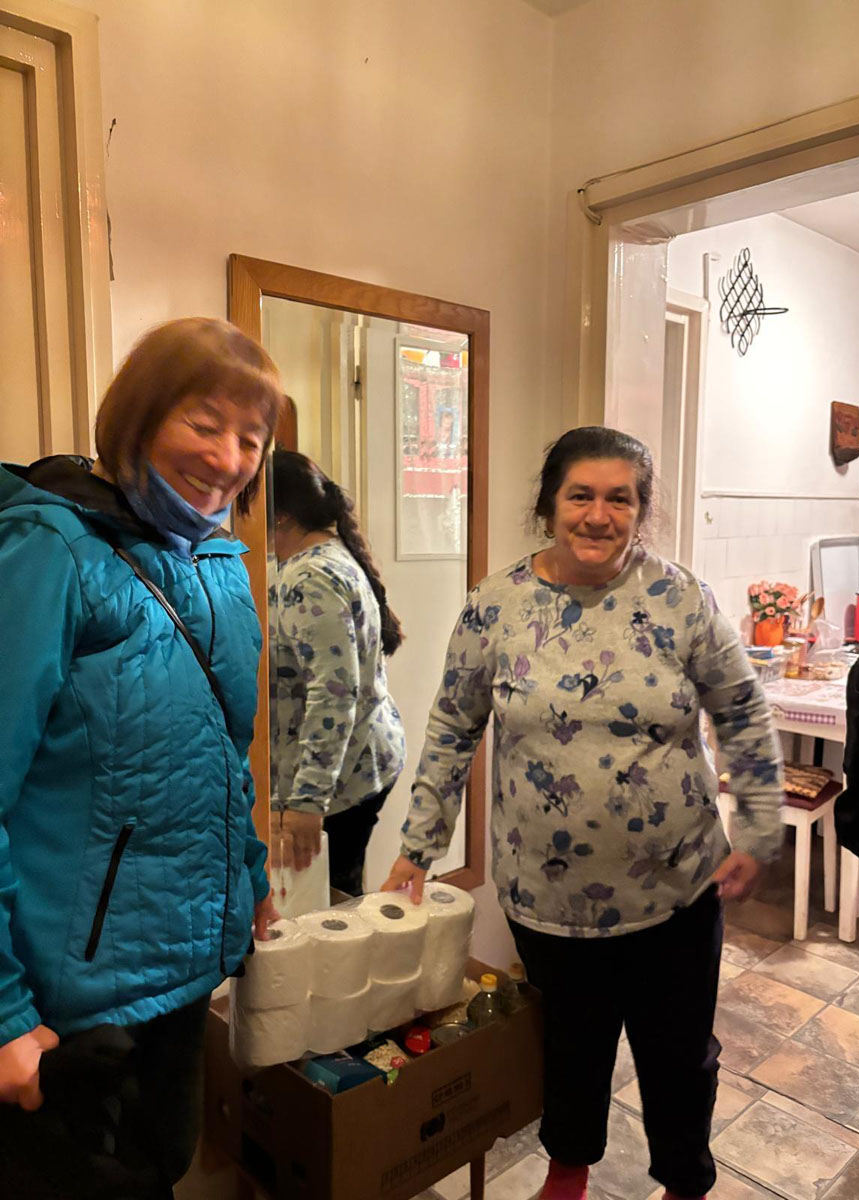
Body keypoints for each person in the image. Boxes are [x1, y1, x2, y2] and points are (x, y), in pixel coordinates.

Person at [383, 426, 784, 1200]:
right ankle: (568, 1172)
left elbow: (742, 710)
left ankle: (686, 1183)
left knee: (679, 1057)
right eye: (581, 496)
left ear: (642, 510)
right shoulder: (494, 606)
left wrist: (761, 828)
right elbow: (453, 728)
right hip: (547, 896)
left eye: (620, 499)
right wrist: (419, 844)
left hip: (676, 891)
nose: (599, 515)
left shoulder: (681, 599)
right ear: (549, 505)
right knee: (570, 1048)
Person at [0, 317, 284, 1198]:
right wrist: (3, 1012)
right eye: (205, 422)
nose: (228, 458)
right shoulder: (52, 549)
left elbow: (222, 749)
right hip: (67, 1004)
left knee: (162, 1166)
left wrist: (250, 874)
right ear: (138, 416)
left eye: (251, 437)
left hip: (182, 970)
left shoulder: (221, 561)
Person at [270, 449, 406, 896]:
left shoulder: (310, 577)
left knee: (328, 911)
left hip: (340, 784)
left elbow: (334, 695)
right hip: (353, 766)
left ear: (281, 516)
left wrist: (307, 802)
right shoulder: (320, 556)